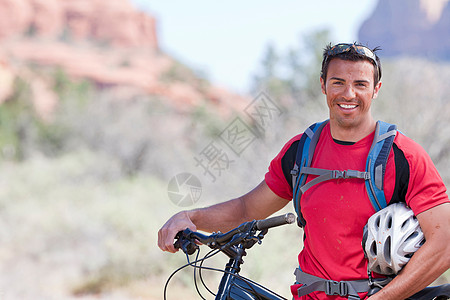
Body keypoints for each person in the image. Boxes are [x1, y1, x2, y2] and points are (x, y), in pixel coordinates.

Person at [158, 42, 450, 299]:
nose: (348, 94)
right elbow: (248, 208)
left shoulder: (403, 156)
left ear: (376, 89)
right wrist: (191, 217)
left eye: (360, 84)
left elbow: (445, 241)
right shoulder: (302, 151)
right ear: (323, 85)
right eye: (338, 82)